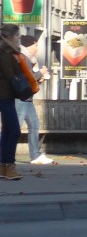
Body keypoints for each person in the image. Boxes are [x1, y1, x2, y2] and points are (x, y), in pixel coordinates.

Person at [18, 37, 51, 165]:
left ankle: (35, 155)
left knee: (34, 125)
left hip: (27, 98)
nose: (37, 48)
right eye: (36, 45)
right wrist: (40, 73)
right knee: (14, 129)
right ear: (30, 45)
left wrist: (39, 79)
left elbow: (30, 78)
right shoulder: (23, 57)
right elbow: (27, 77)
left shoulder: (29, 59)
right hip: (20, 98)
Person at [0, 24, 24, 180]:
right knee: (14, 131)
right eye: (17, 36)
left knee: (7, 131)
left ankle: (3, 167)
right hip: (4, 96)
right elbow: (12, 77)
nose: (19, 39)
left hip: (5, 95)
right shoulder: (7, 55)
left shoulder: (7, 53)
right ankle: (9, 166)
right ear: (9, 37)